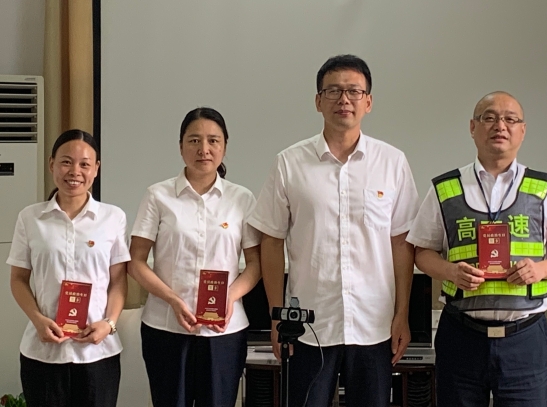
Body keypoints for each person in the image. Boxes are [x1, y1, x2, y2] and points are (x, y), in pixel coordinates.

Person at [248, 54, 420, 407]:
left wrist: (402, 313)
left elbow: (401, 242)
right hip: (309, 327)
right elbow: (271, 240)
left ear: (368, 102)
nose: (344, 99)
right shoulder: (289, 163)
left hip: (374, 325)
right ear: (318, 101)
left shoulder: (392, 162)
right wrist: (277, 316)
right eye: (334, 91)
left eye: (354, 91)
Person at [406, 91, 547, 407]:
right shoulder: (445, 188)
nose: (500, 126)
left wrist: (540, 269)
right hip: (461, 335)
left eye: (510, 119)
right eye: (489, 117)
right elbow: (422, 252)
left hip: (525, 339)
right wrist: (450, 271)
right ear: (472, 127)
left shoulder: (544, 189)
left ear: (522, 130)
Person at [128, 107, 261, 407]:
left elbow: (255, 264)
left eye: (213, 140)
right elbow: (136, 262)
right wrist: (173, 300)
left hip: (225, 331)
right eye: (194, 140)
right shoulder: (158, 196)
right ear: (180, 146)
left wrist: (230, 297)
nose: (204, 149)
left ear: (224, 146)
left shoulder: (242, 198)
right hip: (166, 328)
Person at [7, 129, 129, 407]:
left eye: (85, 164)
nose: (75, 171)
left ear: (96, 169)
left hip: (98, 353)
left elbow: (119, 281)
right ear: (52, 164)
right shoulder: (30, 218)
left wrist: (109, 324)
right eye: (66, 162)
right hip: (43, 353)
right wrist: (37, 320)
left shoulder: (113, 217)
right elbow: (18, 279)